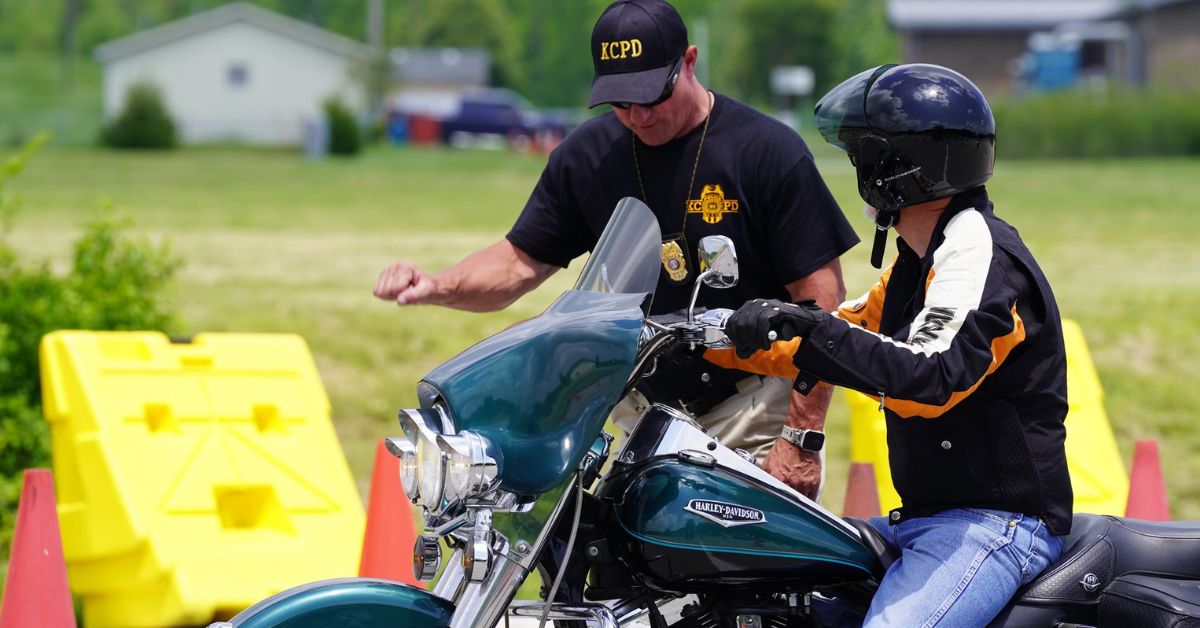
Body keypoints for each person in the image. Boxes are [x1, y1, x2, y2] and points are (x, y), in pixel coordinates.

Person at [373, 0, 859, 499]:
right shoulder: (588, 156)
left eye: (651, 95)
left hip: (752, 403)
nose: (638, 115)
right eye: (621, 101)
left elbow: (823, 302)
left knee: (740, 569)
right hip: (636, 405)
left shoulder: (766, 152)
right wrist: (437, 285)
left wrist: (801, 438)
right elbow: (518, 261)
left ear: (688, 62)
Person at [711, 64, 1073, 627]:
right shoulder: (918, 262)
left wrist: (807, 329)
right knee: (761, 578)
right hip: (924, 518)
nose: (857, 168)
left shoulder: (980, 257)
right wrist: (709, 335)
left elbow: (927, 381)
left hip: (994, 525)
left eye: (861, 155)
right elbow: (845, 330)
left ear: (894, 169)